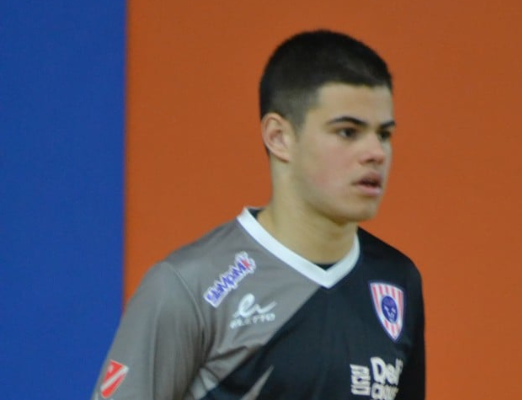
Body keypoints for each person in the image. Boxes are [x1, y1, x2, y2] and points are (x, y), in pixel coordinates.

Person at [91, 29, 425, 400]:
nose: (376, 153)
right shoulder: (188, 287)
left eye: (384, 134)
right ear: (279, 137)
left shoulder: (397, 280)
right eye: (348, 132)